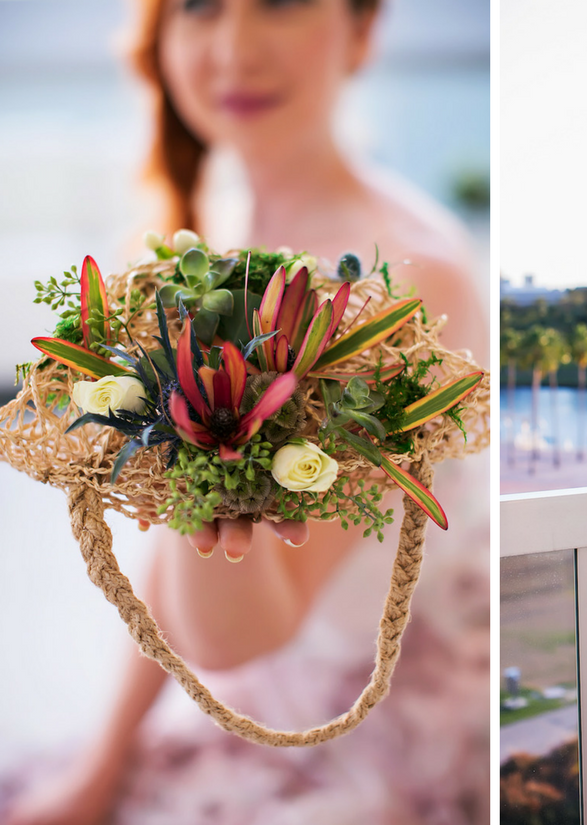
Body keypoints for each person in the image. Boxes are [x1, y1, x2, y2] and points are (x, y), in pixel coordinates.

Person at [4, 1, 488, 823]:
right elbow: (168, 569)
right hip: (244, 682)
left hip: (369, 720)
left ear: (363, 31)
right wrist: (102, 760)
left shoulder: (411, 286)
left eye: (279, 2)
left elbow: (242, 631)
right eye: (199, 8)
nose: (234, 48)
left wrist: (199, 466)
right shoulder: (219, 232)